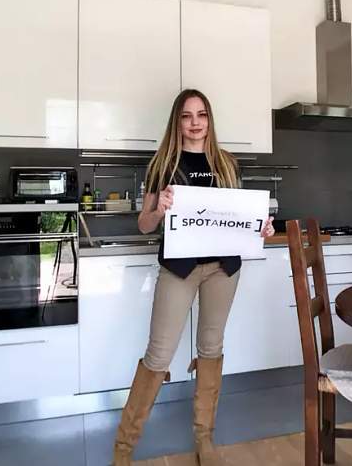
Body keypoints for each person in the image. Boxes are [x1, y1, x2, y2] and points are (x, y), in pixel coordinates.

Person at [113, 89, 275, 466]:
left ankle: (204, 438)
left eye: (201, 114)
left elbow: (240, 217)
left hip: (223, 268)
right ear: (177, 122)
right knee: (158, 354)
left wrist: (260, 228)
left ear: (209, 120)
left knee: (211, 348)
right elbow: (143, 224)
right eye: (187, 116)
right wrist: (159, 209)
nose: (195, 122)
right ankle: (123, 449)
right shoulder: (162, 164)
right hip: (179, 268)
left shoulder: (227, 163)